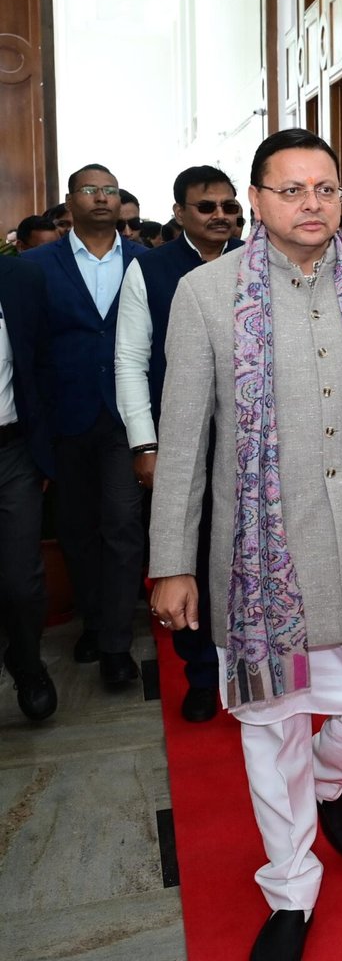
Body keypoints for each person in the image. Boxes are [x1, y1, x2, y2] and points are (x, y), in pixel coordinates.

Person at [148, 128, 342, 961]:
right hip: (262, 557)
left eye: (325, 188)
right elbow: (184, 439)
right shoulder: (207, 294)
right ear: (257, 200)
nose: (311, 203)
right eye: (291, 189)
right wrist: (170, 562)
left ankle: (328, 778)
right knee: (271, 724)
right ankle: (290, 887)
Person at [113, 165, 243, 724]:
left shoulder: (257, 262)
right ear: (179, 212)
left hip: (251, 441)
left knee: (249, 554)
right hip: (183, 442)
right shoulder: (150, 270)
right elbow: (130, 361)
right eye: (207, 206)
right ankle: (202, 672)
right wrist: (145, 444)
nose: (220, 216)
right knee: (189, 553)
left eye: (229, 206)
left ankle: (254, 663)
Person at [22, 165, 148, 688]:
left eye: (110, 190)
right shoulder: (35, 266)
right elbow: (27, 349)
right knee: (76, 529)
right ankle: (93, 622)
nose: (101, 197)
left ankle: (116, 643)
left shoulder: (145, 261)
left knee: (122, 523)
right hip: (65, 417)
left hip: (126, 415)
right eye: (90, 190)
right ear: (70, 201)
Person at [0, 252, 56, 722]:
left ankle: (26, 661)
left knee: (22, 578)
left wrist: (44, 449)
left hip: (12, 450)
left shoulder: (20, 279)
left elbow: (41, 364)